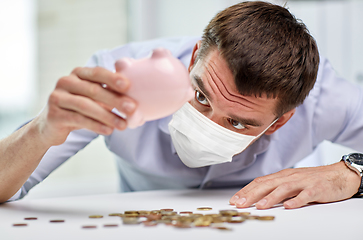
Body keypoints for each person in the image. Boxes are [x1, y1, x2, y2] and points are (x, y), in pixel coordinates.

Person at [1, 1, 362, 209]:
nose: (208, 126)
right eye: (201, 96)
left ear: (282, 122)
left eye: (238, 123)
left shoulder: (327, 102)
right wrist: (39, 131)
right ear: (192, 62)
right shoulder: (118, 78)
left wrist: (351, 172)